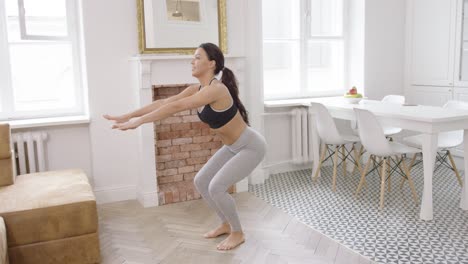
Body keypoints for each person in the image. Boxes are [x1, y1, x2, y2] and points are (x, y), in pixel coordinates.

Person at [104, 43, 267, 250]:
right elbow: (164, 103)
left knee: (216, 187)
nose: (192, 61)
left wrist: (138, 123)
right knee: (202, 181)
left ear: (212, 63)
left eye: (197, 57)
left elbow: (176, 107)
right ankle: (225, 224)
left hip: (250, 147)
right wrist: (127, 116)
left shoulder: (216, 90)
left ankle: (238, 232)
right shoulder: (196, 89)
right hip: (232, 147)